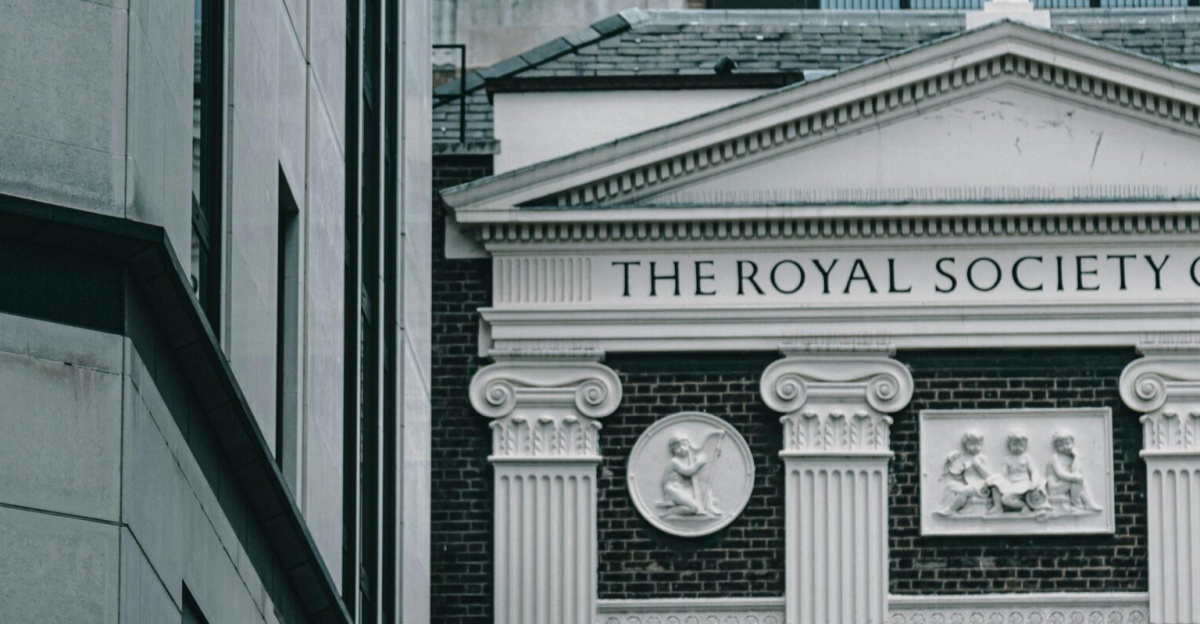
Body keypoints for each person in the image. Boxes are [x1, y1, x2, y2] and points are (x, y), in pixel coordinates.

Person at [985, 430, 1047, 513]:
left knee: (1006, 499)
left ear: (1025, 446)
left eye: (1020, 445)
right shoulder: (1008, 459)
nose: (1017, 447)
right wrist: (992, 478)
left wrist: (1035, 482)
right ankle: (997, 506)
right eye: (1014, 445)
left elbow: (1033, 471)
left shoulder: (1026, 458)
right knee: (995, 485)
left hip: (1023, 483)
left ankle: (1023, 505)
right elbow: (1003, 474)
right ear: (1009, 445)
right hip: (1010, 483)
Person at [935, 431, 992, 517]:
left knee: (964, 491)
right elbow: (958, 475)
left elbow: (988, 476)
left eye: (978, 445)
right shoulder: (964, 458)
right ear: (965, 445)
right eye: (972, 444)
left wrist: (978, 466)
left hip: (981, 487)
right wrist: (952, 462)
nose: (975, 447)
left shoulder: (981, 459)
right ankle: (948, 507)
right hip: (970, 485)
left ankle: (950, 510)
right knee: (950, 486)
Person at [1046, 431, 1101, 512]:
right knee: (1078, 479)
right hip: (1055, 487)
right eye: (1060, 445)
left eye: (1067, 443)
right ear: (1056, 446)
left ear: (1072, 443)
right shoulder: (1055, 457)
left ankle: (1088, 503)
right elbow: (1060, 474)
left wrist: (1076, 457)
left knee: (1080, 479)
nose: (1064, 447)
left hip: (1065, 484)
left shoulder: (1071, 457)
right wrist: (1075, 477)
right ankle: (1076, 502)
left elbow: (1076, 471)